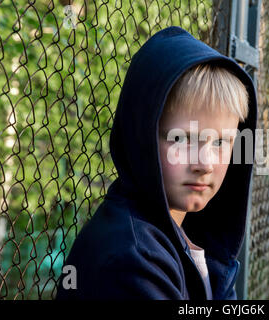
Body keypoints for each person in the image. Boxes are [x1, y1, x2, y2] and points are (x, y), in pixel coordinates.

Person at [55, 26, 257, 300]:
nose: (205, 163)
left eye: (221, 142)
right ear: (142, 135)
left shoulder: (194, 238)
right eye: (183, 139)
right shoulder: (131, 258)